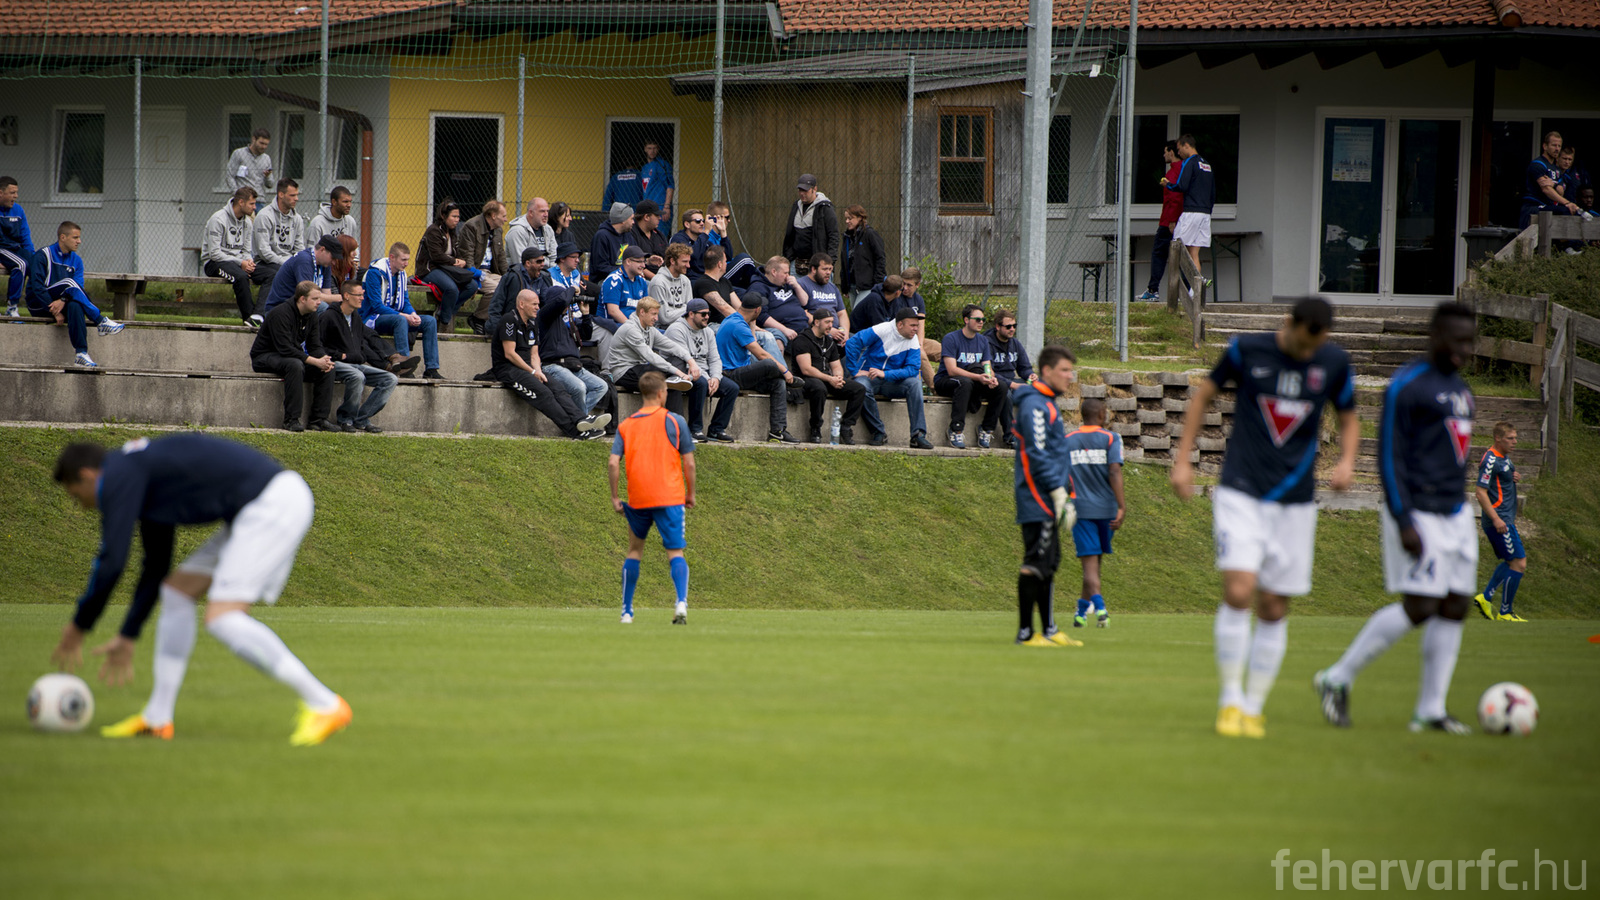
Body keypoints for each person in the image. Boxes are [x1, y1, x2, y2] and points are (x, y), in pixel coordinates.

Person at [48, 434, 352, 745]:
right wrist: (128, 634)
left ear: (88, 475)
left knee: (222, 618)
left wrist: (79, 625)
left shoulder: (120, 475)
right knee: (176, 592)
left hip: (272, 504)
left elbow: (112, 562)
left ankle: (324, 704)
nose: (80, 504)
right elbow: (156, 567)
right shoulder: (138, 474)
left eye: (75, 494)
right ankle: (157, 719)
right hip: (259, 505)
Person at [1171, 297, 1360, 739]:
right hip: (1241, 489)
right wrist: (1183, 460)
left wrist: (1348, 460)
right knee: (1239, 590)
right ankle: (1229, 700)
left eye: (1318, 343)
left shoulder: (1334, 362)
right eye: (1305, 340)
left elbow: (1349, 417)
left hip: (1295, 501)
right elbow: (1204, 395)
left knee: (1274, 605)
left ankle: (1254, 707)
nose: (1309, 350)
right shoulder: (1246, 349)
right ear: (1289, 323)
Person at [1314, 303, 1480, 734]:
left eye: (1470, 340)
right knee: (1421, 605)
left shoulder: (1462, 390)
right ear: (1435, 335)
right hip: (1418, 510)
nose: (1464, 348)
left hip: (1457, 512)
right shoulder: (1408, 384)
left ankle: (1431, 710)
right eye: (1457, 339)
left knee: (1456, 604)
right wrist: (1404, 518)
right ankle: (1337, 677)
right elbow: (1388, 456)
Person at [609, 370, 696, 625]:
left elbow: (613, 463)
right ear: (660, 393)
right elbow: (689, 463)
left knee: (634, 551)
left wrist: (615, 496)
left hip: (639, 498)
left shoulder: (626, 425)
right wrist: (690, 494)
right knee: (675, 551)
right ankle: (681, 602)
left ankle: (626, 611)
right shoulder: (675, 421)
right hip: (670, 496)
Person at [1010, 345, 1083, 647]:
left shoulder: (1048, 403)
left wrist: (1068, 492)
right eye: (1064, 370)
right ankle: (1026, 633)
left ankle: (1049, 629)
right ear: (1047, 371)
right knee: (1036, 561)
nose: (1069, 376)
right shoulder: (1035, 405)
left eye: (1070, 370)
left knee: (1049, 562)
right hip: (1036, 496)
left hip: (1049, 495)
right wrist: (1056, 491)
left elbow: (1056, 454)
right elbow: (1037, 454)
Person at [493, 288, 609, 441]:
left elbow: (534, 354)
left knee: (558, 389)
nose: (537, 307)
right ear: (521, 304)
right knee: (545, 394)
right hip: (509, 369)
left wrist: (538, 371)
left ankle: (581, 419)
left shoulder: (532, 322)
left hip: (529, 368)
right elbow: (510, 354)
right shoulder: (509, 320)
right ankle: (575, 432)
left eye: (538, 304)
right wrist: (532, 372)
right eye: (534, 304)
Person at [25, 221, 124, 367]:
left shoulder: (76, 260)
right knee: (69, 282)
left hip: (61, 303)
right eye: (75, 237)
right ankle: (100, 321)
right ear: (63, 237)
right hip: (39, 304)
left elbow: (78, 289)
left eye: (79, 238)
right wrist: (54, 311)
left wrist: (63, 300)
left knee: (76, 305)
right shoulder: (43, 255)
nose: (79, 241)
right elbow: (37, 287)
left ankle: (81, 354)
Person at [1065, 398, 1125, 628]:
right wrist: (1122, 506)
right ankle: (1092, 611)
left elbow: (1061, 475)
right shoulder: (1111, 438)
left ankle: (1092, 609)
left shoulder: (1068, 440)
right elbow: (1114, 472)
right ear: (1101, 415)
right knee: (1094, 563)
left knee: (1091, 564)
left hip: (1081, 509)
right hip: (1107, 509)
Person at [250, 280, 337, 432]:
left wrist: (324, 359)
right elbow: (285, 348)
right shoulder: (280, 313)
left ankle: (318, 420)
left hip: (290, 356)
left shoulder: (312, 315)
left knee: (327, 369)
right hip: (265, 357)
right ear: (302, 299)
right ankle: (291, 419)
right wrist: (314, 361)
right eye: (315, 299)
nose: (319, 302)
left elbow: (315, 345)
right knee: (295, 365)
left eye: (319, 298)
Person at [844, 309, 935, 450]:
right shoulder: (881, 330)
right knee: (861, 387)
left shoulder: (913, 340)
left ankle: (918, 435)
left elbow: (912, 369)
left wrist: (885, 374)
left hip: (892, 382)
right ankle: (878, 432)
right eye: (912, 325)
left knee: (915, 383)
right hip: (869, 378)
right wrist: (855, 371)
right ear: (900, 325)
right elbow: (852, 343)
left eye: (917, 326)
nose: (916, 329)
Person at [716, 293, 797, 443]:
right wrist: (785, 371)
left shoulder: (736, 320)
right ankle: (791, 380)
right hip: (729, 374)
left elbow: (751, 342)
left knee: (778, 383)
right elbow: (761, 355)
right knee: (769, 364)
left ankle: (777, 431)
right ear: (757, 310)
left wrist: (752, 324)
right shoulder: (738, 325)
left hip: (741, 371)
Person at [318, 280, 397, 433]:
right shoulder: (328, 316)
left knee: (390, 379)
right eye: (359, 295)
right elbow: (318, 346)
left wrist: (360, 356)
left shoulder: (355, 317)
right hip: (334, 363)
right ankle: (346, 419)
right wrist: (341, 355)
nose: (362, 298)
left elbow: (360, 344)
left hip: (355, 364)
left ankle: (361, 419)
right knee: (357, 376)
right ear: (346, 296)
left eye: (362, 295)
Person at [1473, 421, 1528, 622]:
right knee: (1519, 563)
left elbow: (1501, 479)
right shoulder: (1490, 460)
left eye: (1515, 438)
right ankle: (1505, 612)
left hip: (1505, 518)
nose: (1515, 442)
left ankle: (1486, 598)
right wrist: (1496, 519)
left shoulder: (1504, 458)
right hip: (1499, 520)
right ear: (1498, 438)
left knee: (1512, 561)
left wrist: (1513, 476)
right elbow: (1480, 492)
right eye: (1510, 438)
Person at [665, 297, 738, 441]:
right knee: (701, 383)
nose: (707, 317)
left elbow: (715, 359)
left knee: (732, 388)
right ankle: (695, 429)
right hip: (682, 371)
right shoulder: (676, 330)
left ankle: (716, 429)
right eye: (703, 314)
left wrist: (716, 377)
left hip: (704, 372)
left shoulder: (708, 331)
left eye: (708, 314)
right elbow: (686, 362)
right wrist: (708, 378)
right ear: (691, 314)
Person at [935, 304, 1006, 449]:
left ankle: (986, 429)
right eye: (977, 319)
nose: (981, 322)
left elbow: (987, 366)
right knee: (965, 382)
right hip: (946, 381)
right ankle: (956, 429)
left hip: (972, 381)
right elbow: (952, 370)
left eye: (983, 320)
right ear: (966, 320)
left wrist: (990, 378)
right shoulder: (951, 338)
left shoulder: (983, 340)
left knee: (1001, 387)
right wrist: (978, 377)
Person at [791, 308, 866, 444]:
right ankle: (815, 428)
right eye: (827, 322)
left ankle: (846, 427)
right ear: (816, 322)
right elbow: (806, 369)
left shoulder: (829, 341)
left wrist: (838, 378)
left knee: (859, 389)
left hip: (826, 378)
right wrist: (830, 379)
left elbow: (836, 366)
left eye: (832, 322)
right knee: (819, 388)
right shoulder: (802, 340)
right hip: (806, 380)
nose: (831, 325)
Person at [536, 284, 610, 420]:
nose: (568, 304)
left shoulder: (566, 322)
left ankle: (577, 419)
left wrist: (586, 315)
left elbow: (586, 334)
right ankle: (582, 421)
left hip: (573, 365)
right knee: (579, 387)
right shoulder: (545, 316)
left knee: (601, 386)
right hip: (553, 366)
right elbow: (561, 301)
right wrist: (572, 289)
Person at [360, 242, 433, 378]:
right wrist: (404, 316)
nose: (406, 264)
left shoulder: (401, 274)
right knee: (400, 319)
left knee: (429, 321)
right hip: (373, 318)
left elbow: (405, 302)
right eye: (403, 260)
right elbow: (377, 306)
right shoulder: (375, 273)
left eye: (408, 260)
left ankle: (431, 369)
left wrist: (413, 314)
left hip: (395, 317)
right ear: (392, 258)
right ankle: (404, 366)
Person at [204, 187, 272, 327]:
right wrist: (241, 262)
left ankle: (258, 315)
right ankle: (249, 319)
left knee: (271, 275)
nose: (254, 207)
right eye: (251, 204)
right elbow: (214, 253)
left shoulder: (247, 222)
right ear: (241, 202)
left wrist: (249, 261)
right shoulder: (218, 219)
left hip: (238, 263)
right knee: (241, 277)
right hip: (215, 263)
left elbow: (246, 250)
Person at [603, 296, 698, 393]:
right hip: (624, 374)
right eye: (653, 314)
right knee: (670, 375)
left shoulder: (650, 329)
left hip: (639, 369)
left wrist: (691, 361)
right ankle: (674, 379)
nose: (656, 318)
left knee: (678, 362)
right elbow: (649, 355)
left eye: (657, 314)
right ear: (642, 312)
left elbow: (671, 345)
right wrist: (678, 373)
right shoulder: (630, 329)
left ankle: (673, 381)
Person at [414, 200, 480, 334]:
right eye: (454, 216)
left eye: (458, 217)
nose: (457, 220)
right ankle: (444, 323)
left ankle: (446, 311)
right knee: (451, 288)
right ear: (443, 216)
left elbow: (458, 253)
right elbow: (436, 256)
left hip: (447, 269)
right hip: (430, 269)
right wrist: (455, 261)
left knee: (472, 286)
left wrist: (462, 262)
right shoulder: (433, 231)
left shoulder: (453, 232)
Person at [1165, 133, 1215, 281]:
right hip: (1205, 214)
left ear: (1186, 145)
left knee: (1177, 247)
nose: (1178, 152)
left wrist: (1168, 184)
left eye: (1179, 148)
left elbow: (1182, 185)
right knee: (1194, 253)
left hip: (1191, 212)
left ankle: (1197, 279)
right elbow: (1213, 192)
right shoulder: (1207, 164)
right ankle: (1196, 288)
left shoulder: (1189, 162)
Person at [252, 178, 305, 316]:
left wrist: (297, 262)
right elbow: (264, 252)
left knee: (304, 275)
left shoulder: (297, 219)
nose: (296, 199)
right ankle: (261, 315)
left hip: (288, 262)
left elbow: (299, 248)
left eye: (297, 195)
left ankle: (295, 317)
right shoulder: (264, 216)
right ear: (281, 194)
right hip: (263, 263)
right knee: (278, 273)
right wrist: (287, 263)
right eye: (292, 195)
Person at [1139, 140, 1183, 301]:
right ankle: (1189, 291)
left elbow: (1175, 198)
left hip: (1169, 221)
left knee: (1159, 253)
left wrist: (1171, 220)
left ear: (1171, 152)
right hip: (1182, 220)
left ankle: (1153, 289)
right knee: (1182, 256)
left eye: (1165, 151)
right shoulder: (1185, 170)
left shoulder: (1173, 173)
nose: (1164, 155)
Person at [458, 200, 509, 333]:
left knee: (510, 285)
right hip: (475, 271)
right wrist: (474, 276)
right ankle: (478, 318)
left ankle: (496, 323)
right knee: (497, 289)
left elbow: (501, 257)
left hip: (490, 272)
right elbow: (467, 255)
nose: (506, 219)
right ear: (493, 215)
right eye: (503, 216)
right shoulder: (471, 226)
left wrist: (509, 276)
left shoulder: (497, 230)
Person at [986, 308, 1034, 449]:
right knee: (1005, 394)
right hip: (995, 382)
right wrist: (1012, 384)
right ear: (998, 327)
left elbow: (1024, 367)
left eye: (1014, 326)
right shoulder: (987, 343)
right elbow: (989, 372)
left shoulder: (1015, 343)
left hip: (1012, 381)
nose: (1012, 329)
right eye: (1008, 327)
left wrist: (1030, 375)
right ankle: (1010, 436)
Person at [485, 247, 555, 341]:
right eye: (539, 261)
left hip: (536, 326)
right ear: (528, 263)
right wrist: (499, 331)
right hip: (513, 326)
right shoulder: (512, 277)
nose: (543, 264)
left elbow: (547, 305)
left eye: (543, 261)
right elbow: (496, 305)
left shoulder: (544, 277)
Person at [261, 235, 341, 315]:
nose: (334, 262)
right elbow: (309, 295)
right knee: (322, 307)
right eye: (333, 257)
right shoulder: (304, 260)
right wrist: (341, 298)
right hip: (280, 308)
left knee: (335, 310)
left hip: (299, 306)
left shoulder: (325, 265)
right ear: (322, 249)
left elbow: (327, 295)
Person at [1519, 131, 1581, 229]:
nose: (1557, 149)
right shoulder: (1538, 164)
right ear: (1545, 146)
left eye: (1559, 146)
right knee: (1565, 211)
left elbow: (1561, 191)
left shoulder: (1556, 168)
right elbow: (1546, 189)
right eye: (1554, 145)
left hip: (1547, 207)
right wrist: (1567, 203)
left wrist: (1554, 185)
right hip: (1533, 207)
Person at [746, 255, 810, 347]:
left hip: (803, 327)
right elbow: (761, 316)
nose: (788, 276)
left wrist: (797, 286)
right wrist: (785, 330)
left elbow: (804, 302)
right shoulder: (758, 287)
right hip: (783, 331)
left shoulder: (787, 283)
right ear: (774, 272)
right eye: (785, 273)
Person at [783, 173, 840, 272]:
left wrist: (829, 262)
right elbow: (790, 233)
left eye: (805, 190)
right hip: (795, 264)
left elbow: (833, 236)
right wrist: (789, 255)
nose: (802, 193)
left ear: (815, 189)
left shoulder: (824, 208)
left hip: (817, 266)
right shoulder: (796, 206)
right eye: (800, 190)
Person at [597, 244, 650, 344]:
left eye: (644, 262)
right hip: (614, 327)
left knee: (665, 336)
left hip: (635, 327)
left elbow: (646, 309)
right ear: (628, 261)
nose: (643, 265)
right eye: (639, 262)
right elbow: (613, 311)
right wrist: (633, 328)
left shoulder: (641, 281)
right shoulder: (614, 279)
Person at [703, 200, 760, 286]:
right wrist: (723, 233)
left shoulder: (719, 235)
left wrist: (723, 233)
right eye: (727, 217)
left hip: (725, 270)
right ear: (717, 218)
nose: (729, 220)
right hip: (716, 277)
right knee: (745, 260)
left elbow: (728, 256)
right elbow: (726, 259)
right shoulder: (706, 237)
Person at [839, 204, 886, 308]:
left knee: (858, 312)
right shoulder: (847, 237)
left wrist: (878, 283)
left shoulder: (870, 234)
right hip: (852, 285)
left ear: (860, 218)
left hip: (867, 286)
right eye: (846, 218)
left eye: (850, 218)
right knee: (856, 314)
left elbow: (880, 258)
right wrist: (844, 286)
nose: (847, 221)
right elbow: (844, 262)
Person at [1, 175, 34, 318]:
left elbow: (25, 236)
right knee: (21, 265)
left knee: (38, 265)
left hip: (15, 249)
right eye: (12, 193)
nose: (16, 196)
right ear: (1, 193)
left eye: (16, 192)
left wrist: (31, 255)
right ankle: (12, 307)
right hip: (2, 249)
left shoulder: (19, 210)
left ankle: (38, 306)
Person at [797, 252, 848, 341]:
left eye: (830, 269)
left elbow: (842, 313)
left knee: (860, 343)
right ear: (813, 269)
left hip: (837, 332)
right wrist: (828, 330)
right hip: (816, 333)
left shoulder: (833, 287)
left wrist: (845, 333)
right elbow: (802, 312)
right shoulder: (801, 285)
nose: (828, 272)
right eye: (824, 269)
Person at [649, 242, 694, 330]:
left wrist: (688, 310)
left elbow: (691, 314)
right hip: (663, 329)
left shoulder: (685, 280)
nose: (688, 266)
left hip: (684, 327)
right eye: (684, 261)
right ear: (672, 261)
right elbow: (664, 318)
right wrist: (686, 308)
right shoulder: (658, 282)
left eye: (689, 261)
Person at [589, 202, 635, 289]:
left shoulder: (628, 235)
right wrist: (625, 271)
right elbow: (601, 267)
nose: (633, 222)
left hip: (626, 277)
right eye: (631, 219)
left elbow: (635, 257)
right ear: (623, 220)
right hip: (605, 280)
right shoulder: (602, 236)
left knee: (646, 285)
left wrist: (647, 261)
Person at [504, 197, 557, 269]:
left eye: (547, 211)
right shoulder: (517, 231)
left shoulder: (548, 229)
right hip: (524, 274)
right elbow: (522, 263)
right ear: (531, 213)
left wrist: (553, 273)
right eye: (542, 211)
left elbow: (554, 257)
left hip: (547, 272)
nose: (546, 215)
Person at [225, 128, 274, 207]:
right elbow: (230, 176)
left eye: (266, 144)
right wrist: (237, 195)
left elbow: (270, 184)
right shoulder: (239, 153)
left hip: (259, 201)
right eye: (261, 143)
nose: (264, 147)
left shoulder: (266, 158)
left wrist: (267, 176)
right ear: (254, 139)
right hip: (242, 200)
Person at [693, 246, 739, 323]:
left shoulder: (725, 281)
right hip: (712, 326)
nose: (726, 264)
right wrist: (742, 323)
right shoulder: (703, 283)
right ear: (720, 264)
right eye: (725, 261)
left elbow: (739, 307)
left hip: (730, 323)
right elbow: (724, 308)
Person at [629, 200, 669, 278]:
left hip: (662, 276)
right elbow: (633, 265)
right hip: (642, 278)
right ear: (646, 217)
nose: (660, 218)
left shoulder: (659, 235)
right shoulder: (631, 234)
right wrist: (657, 280)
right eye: (657, 215)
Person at [639, 139, 675, 223]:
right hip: (647, 208)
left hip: (660, 208)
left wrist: (666, 207)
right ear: (645, 149)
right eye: (649, 148)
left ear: (658, 149)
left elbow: (670, 186)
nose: (652, 151)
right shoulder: (644, 168)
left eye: (654, 148)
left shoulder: (662, 164)